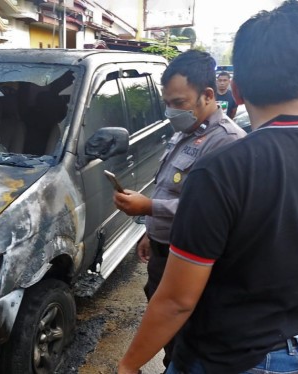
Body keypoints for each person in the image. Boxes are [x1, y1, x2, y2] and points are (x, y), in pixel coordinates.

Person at [117, 1, 298, 373]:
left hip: (227, 360)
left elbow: (177, 300)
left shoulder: (221, 170)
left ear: (235, 89)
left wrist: (128, 366)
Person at [112, 49, 246, 370]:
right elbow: (168, 186)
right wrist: (149, 226)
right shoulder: (185, 131)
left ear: (208, 95)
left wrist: (148, 206)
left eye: (180, 103)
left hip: (187, 260)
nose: (172, 111)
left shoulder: (226, 143)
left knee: (183, 335)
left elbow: (206, 210)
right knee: (168, 331)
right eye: (168, 103)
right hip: (162, 250)